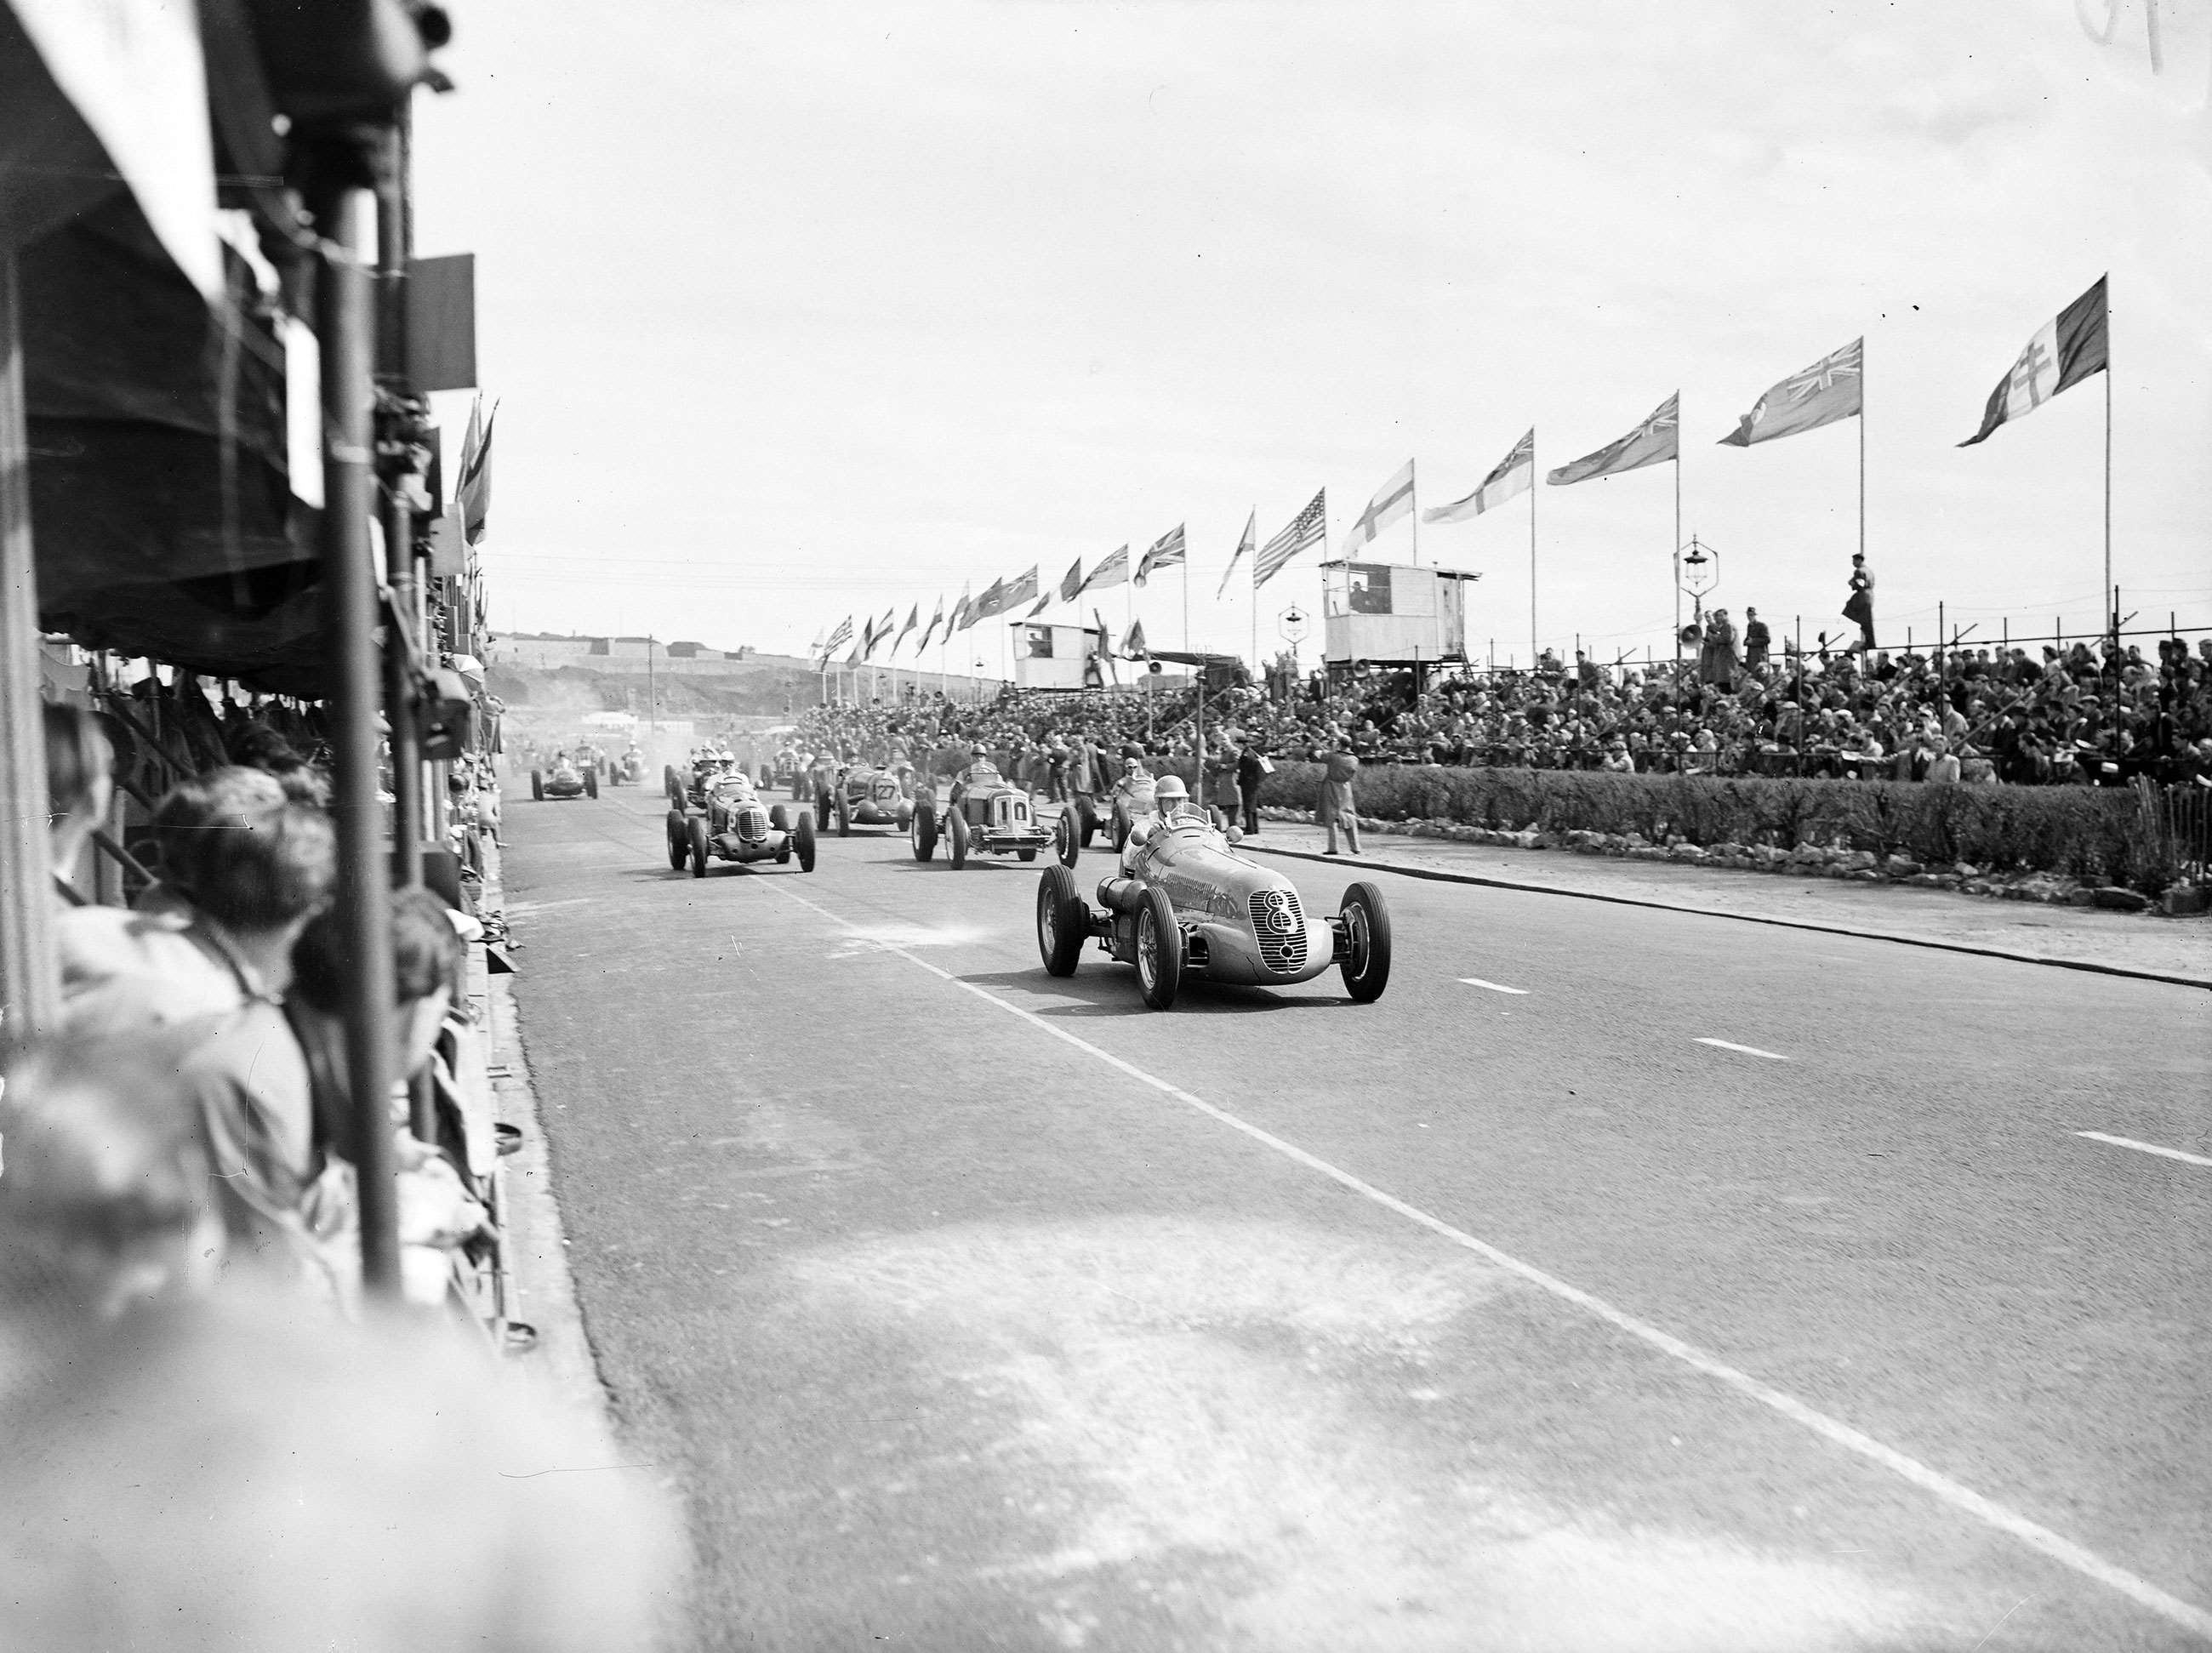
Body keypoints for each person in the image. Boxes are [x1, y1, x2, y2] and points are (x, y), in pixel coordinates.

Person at [1318, 740, 1362, 856]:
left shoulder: (1333, 756)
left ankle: (1333, 847)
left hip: (1331, 787)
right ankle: (1355, 847)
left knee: (1331, 817)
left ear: (1340, 744)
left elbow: (1320, 755)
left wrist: (1329, 749)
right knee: (1349, 815)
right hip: (1346, 788)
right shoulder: (1354, 759)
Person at [1844, 553, 1876, 653]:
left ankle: (1870, 642)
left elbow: (1860, 584)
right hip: (1869, 595)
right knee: (1866, 620)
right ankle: (1869, 641)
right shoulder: (1869, 570)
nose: (1853, 563)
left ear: (1859, 560)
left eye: (1854, 560)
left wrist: (1852, 583)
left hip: (1863, 596)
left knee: (1864, 620)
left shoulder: (1859, 571)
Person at [1235, 739, 1267, 835]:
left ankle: (1250, 828)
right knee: (1252, 806)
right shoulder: (1252, 752)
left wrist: (1239, 780)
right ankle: (1255, 827)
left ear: (1243, 744)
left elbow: (1244, 771)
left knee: (1248, 806)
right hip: (1253, 783)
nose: (1237, 746)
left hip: (1248, 783)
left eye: (1238, 744)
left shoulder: (1246, 755)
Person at [1743, 607, 1770, 673]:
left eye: (1752, 615)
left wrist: (1753, 641)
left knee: (1761, 674)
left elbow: (1767, 639)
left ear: (1755, 615)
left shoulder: (1762, 626)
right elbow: (1748, 638)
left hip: (1760, 655)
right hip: (1751, 656)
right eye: (1749, 615)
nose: (1750, 617)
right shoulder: (1749, 626)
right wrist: (1746, 642)